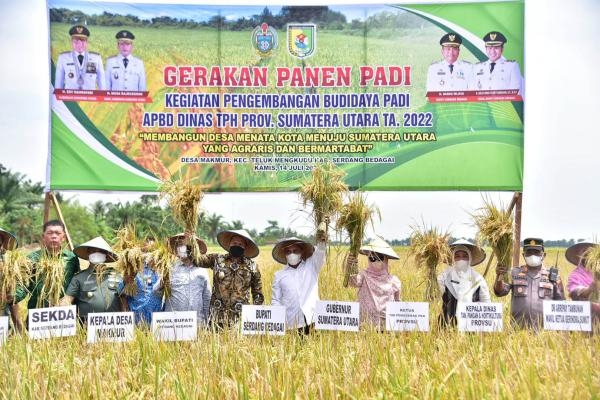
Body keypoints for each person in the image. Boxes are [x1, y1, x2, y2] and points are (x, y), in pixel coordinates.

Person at [11, 220, 80, 332]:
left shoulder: (72, 258)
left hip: (65, 316)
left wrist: (68, 299)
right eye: (50, 233)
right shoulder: (32, 258)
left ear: (64, 237)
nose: (53, 236)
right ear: (43, 237)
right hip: (38, 315)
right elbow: (23, 286)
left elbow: (77, 284)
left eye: (57, 233)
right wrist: (13, 297)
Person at [197, 229, 264, 328]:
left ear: (245, 247)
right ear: (229, 244)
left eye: (241, 244)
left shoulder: (252, 267)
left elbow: (258, 295)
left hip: (240, 319)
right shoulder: (217, 259)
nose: (237, 246)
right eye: (235, 243)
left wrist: (256, 319)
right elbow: (197, 260)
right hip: (216, 316)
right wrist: (189, 242)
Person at [494, 238, 565, 329]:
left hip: (545, 333)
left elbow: (561, 304)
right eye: (529, 252)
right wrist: (499, 276)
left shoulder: (553, 276)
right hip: (517, 330)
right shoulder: (514, 273)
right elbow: (500, 292)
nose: (532, 255)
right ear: (524, 255)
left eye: (536, 252)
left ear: (544, 255)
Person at [271, 231, 327, 335]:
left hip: (312, 319)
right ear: (285, 254)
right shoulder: (279, 275)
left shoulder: (311, 266)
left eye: (295, 251)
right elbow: (275, 300)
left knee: (314, 349)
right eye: (288, 251)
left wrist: (322, 238)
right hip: (291, 322)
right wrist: (278, 318)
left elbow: (320, 251)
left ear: (301, 252)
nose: (292, 254)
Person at [61, 237, 122, 324]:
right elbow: (68, 299)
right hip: (87, 327)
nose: (96, 254)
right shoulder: (79, 278)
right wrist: (61, 307)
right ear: (88, 254)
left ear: (106, 255)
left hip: (114, 327)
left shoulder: (116, 275)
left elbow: (124, 300)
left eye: (100, 251)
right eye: (93, 251)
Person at [348, 237, 401, 331]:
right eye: (372, 257)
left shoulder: (393, 281)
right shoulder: (363, 275)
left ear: (386, 259)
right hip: (365, 325)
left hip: (386, 326)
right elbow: (353, 282)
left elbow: (398, 304)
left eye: (379, 257)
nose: (375, 260)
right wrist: (351, 265)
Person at [437, 239, 490, 327]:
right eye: (457, 256)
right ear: (453, 258)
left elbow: (486, 303)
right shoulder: (444, 277)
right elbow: (434, 296)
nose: (461, 259)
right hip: (446, 326)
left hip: (472, 327)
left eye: (465, 256)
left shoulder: (478, 279)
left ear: (469, 258)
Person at [162, 233, 211, 326]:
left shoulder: (202, 270)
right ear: (176, 249)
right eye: (180, 245)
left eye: (186, 245)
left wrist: (208, 323)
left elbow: (207, 298)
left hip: (197, 323)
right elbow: (157, 293)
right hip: (174, 323)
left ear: (193, 248)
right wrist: (162, 283)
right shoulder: (169, 268)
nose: (182, 248)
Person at [118, 239, 163, 326]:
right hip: (137, 320)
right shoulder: (134, 269)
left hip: (158, 321)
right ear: (141, 252)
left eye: (152, 250)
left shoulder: (162, 270)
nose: (150, 254)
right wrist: (126, 280)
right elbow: (120, 292)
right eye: (147, 250)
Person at [54, 25, 106, 90]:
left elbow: (102, 82)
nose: (79, 44)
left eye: (82, 41)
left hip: (90, 97)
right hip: (70, 98)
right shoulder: (63, 58)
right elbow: (59, 82)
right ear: (71, 42)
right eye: (76, 41)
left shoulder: (96, 58)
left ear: (87, 42)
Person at [565, 240, 600, 326]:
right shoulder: (576, 275)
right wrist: (589, 289)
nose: (588, 254)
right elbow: (574, 292)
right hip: (587, 319)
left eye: (591, 251)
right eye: (584, 251)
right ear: (579, 255)